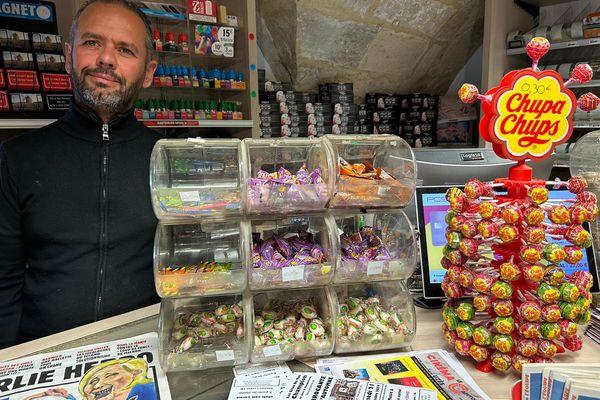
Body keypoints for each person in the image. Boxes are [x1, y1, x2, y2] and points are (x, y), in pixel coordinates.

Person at [0, 0, 160, 348]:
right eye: (92, 43)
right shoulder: (17, 158)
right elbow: (3, 281)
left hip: (148, 347)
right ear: (69, 54)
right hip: (45, 357)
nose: (105, 58)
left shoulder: (170, 160)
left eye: (125, 49)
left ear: (148, 72)